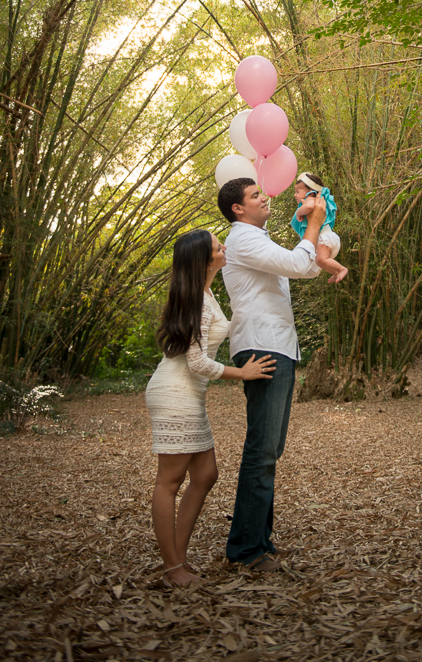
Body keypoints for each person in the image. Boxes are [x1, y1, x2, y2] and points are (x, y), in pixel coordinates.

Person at [145, 228, 276, 587]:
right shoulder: (199, 303)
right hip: (175, 392)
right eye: (219, 246)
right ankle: (173, 569)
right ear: (205, 261)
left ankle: (179, 560)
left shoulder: (204, 294)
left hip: (186, 392)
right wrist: (243, 373)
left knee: (205, 475)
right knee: (168, 481)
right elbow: (197, 362)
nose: (225, 247)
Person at [217, 177, 326, 572]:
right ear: (238, 209)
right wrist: (313, 224)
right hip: (263, 346)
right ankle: (246, 550)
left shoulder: (260, 241)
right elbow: (299, 263)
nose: (265, 198)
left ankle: (259, 538)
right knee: (261, 449)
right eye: (255, 195)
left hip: (278, 344)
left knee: (270, 449)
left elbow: (307, 269)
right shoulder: (243, 239)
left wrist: (319, 232)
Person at [291, 172, 348, 284]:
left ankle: (341, 269)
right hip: (327, 239)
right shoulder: (320, 199)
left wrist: (299, 212)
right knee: (320, 261)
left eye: (298, 191)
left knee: (321, 260)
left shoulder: (311, 198)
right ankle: (335, 272)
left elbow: (309, 206)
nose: (295, 195)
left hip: (324, 238)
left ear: (310, 191)